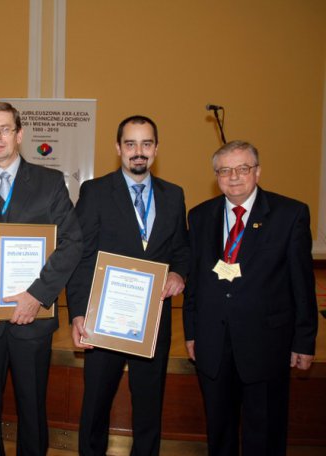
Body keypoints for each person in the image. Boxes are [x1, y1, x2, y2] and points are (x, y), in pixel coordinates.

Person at [0, 101, 83, 455]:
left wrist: (37, 295)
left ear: (19, 134)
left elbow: (72, 242)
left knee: (32, 408)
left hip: (33, 319)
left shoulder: (50, 182)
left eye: (5, 129)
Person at [183, 140, 317, 456]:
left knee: (265, 434)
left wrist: (304, 340)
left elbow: (302, 283)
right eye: (225, 170)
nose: (234, 177)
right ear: (216, 176)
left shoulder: (290, 214)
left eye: (242, 168)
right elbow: (196, 280)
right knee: (219, 432)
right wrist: (191, 332)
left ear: (257, 172)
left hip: (267, 344)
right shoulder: (200, 216)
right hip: (213, 343)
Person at [66, 115, 190, 456]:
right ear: (118, 148)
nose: (139, 151)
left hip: (152, 320)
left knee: (149, 406)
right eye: (131, 143)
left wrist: (179, 274)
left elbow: (182, 249)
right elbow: (81, 256)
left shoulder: (173, 195)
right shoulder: (95, 192)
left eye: (146, 144)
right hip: (104, 319)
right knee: (96, 404)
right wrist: (78, 313)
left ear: (156, 149)